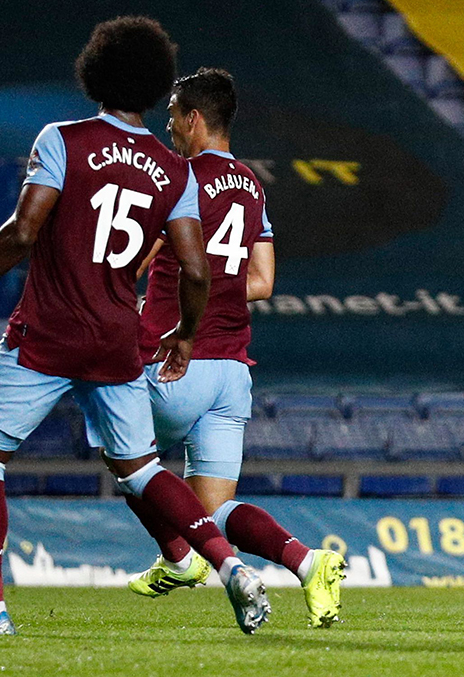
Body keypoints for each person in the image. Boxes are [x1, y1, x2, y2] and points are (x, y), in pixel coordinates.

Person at [0, 18, 269, 636]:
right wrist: (186, 332)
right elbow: (195, 266)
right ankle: (229, 564)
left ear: (96, 72)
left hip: (48, 333)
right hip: (115, 338)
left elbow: (24, 232)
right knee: (141, 468)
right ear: (155, 82)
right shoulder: (173, 168)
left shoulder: (63, 139)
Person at [121, 68, 345, 628]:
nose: (168, 126)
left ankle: (178, 560)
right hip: (230, 372)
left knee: (122, 454)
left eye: (172, 115)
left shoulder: (174, 177)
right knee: (213, 509)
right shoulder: (250, 184)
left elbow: (135, 259)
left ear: (193, 118)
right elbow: (263, 282)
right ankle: (307, 561)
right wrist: (216, 282)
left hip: (174, 360)